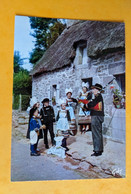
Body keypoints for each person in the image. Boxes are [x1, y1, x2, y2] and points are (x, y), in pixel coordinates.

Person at [85, 83, 104, 157]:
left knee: (96, 133)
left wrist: (87, 104)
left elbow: (92, 105)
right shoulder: (97, 97)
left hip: (96, 116)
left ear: (97, 90)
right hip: (97, 116)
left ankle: (97, 150)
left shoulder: (98, 97)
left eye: (93, 89)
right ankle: (99, 149)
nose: (92, 90)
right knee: (98, 133)